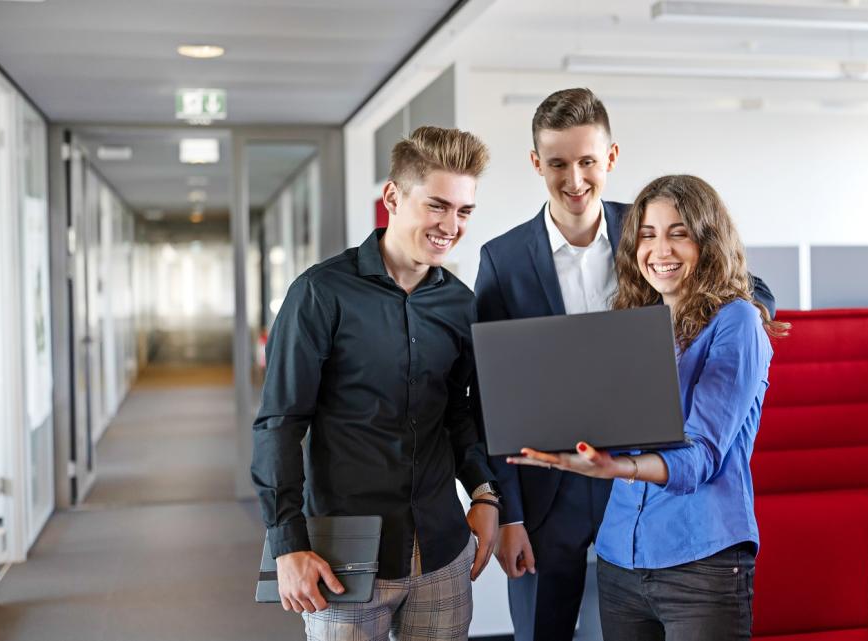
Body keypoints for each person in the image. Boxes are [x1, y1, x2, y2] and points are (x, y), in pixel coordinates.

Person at [474, 88, 776, 641]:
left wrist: (734, 330)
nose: (575, 179)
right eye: (559, 164)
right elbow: (496, 394)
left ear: (610, 158)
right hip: (553, 492)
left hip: (645, 478)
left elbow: (747, 289)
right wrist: (510, 514)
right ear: (537, 163)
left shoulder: (647, 231)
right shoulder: (504, 258)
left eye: (588, 161)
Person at [251, 126, 502, 641]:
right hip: (341, 556)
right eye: (437, 206)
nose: (450, 225)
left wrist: (484, 493)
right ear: (392, 196)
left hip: (440, 549)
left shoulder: (459, 304)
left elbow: (459, 413)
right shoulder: (321, 294)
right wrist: (287, 545)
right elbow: (280, 423)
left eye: (463, 211)